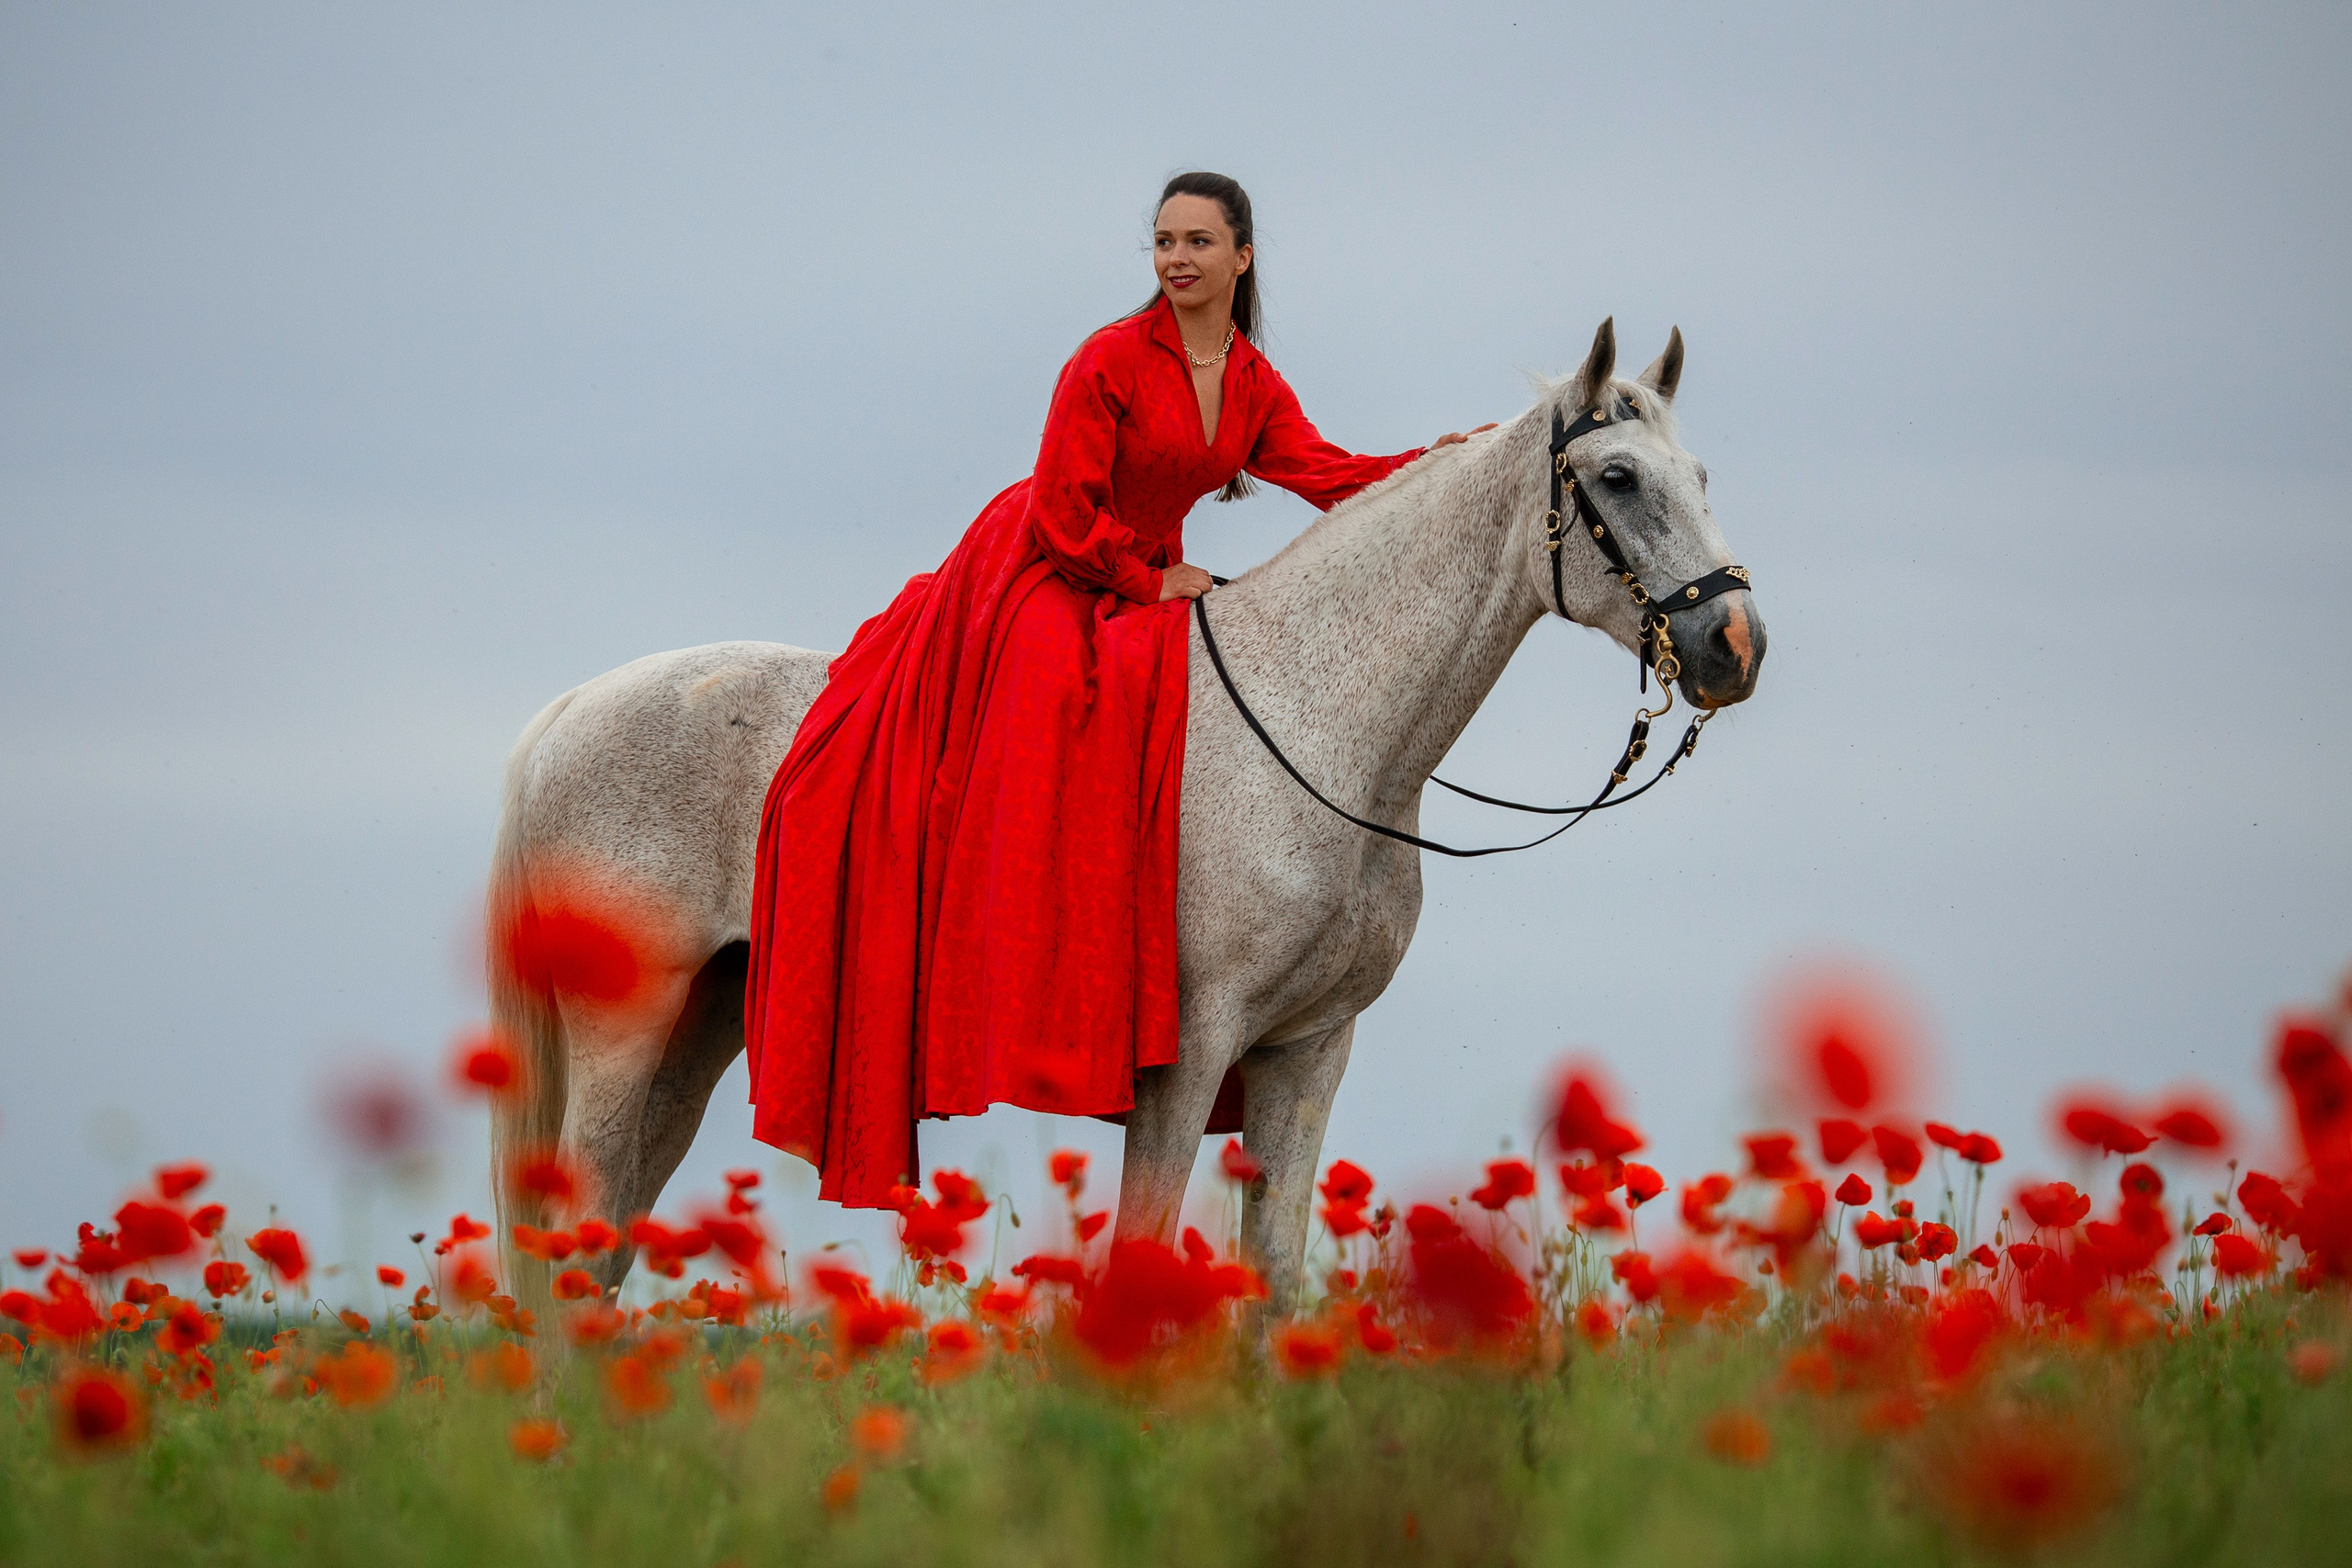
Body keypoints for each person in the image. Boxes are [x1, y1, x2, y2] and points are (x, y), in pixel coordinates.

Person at [743, 171, 1489, 1208]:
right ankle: (1026, 929)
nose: (1176, 258)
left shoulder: (1250, 376)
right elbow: (1059, 510)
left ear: (1241, 258)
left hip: (1144, 572)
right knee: (1063, 708)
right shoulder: (1106, 360)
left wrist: (1437, 469)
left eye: (1197, 242)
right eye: (1162, 241)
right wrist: (1146, 576)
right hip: (1051, 567)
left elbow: (1326, 475)